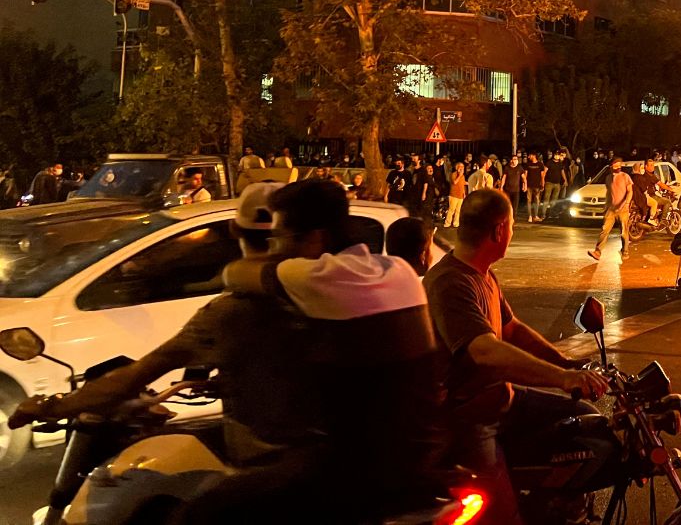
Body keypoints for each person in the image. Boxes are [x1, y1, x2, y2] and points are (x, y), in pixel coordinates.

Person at [10, 181, 440, 522]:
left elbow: (138, 373)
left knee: (200, 513)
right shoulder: (397, 272)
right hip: (419, 454)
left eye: (284, 235)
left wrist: (54, 406)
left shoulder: (263, 299)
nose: (277, 244)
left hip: (341, 468)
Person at [423, 189, 607, 523]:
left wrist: (567, 364)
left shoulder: (483, 274)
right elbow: (485, 350)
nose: (512, 232)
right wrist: (562, 379)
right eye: (511, 226)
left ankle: (562, 506)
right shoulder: (450, 282)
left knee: (586, 421)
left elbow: (511, 328)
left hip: (502, 398)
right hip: (473, 416)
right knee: (504, 517)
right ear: (498, 231)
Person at [589, 157, 633, 262]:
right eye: (616, 164)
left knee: (624, 232)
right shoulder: (608, 178)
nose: (618, 166)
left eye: (619, 164)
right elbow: (609, 193)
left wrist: (626, 203)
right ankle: (597, 252)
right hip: (611, 209)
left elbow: (630, 191)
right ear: (611, 166)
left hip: (623, 209)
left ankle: (625, 251)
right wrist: (606, 206)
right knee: (604, 230)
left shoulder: (625, 176)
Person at [523, 153, 546, 222]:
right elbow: (525, 175)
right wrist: (524, 184)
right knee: (528, 201)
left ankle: (535, 216)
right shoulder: (528, 164)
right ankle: (529, 216)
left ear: (534, 155)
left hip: (537, 186)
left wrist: (542, 184)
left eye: (530, 155)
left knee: (536, 201)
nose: (528, 157)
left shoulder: (540, 164)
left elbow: (542, 176)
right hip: (529, 185)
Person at [447, 162, 468, 228]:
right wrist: (459, 175)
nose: (462, 168)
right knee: (451, 210)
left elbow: (463, 185)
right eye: (460, 166)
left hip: (460, 195)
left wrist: (464, 193)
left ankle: (456, 223)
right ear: (457, 167)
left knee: (458, 211)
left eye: (463, 167)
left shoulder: (463, 176)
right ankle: (447, 223)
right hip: (453, 195)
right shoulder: (454, 174)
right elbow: (455, 182)